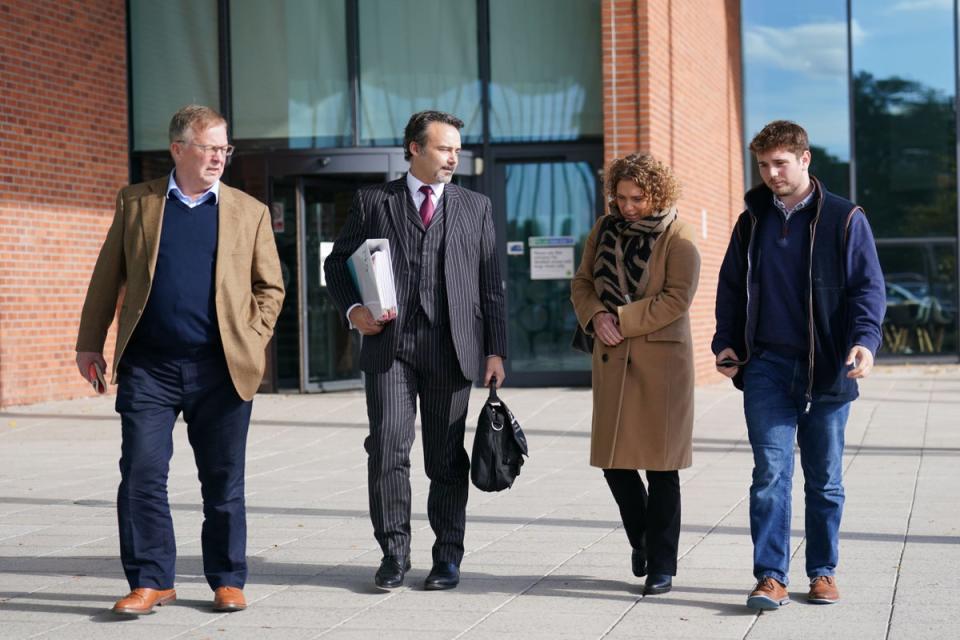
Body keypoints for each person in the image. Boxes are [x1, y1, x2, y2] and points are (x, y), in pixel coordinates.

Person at [75, 105, 285, 615]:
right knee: (142, 475)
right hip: (150, 367)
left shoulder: (247, 211)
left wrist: (252, 339)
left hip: (221, 368)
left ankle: (227, 578)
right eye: (210, 147)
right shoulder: (138, 203)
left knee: (222, 479)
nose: (219, 157)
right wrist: (89, 341)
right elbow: (108, 276)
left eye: (224, 148)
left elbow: (270, 288)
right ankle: (152, 580)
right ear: (178, 149)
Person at [324, 110, 507, 591]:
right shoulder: (373, 201)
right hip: (392, 348)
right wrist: (354, 311)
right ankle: (394, 553)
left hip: (453, 348)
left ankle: (447, 556)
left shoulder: (475, 207)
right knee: (386, 448)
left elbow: (491, 285)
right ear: (415, 149)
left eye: (456, 150)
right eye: (445, 148)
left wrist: (496, 351)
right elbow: (337, 262)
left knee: (445, 459)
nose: (454, 157)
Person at [713, 120, 885, 610]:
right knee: (770, 473)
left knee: (825, 479)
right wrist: (726, 343)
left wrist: (865, 343)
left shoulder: (845, 218)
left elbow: (868, 289)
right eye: (763, 165)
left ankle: (822, 571)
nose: (770, 174)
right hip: (767, 366)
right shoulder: (751, 220)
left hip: (829, 368)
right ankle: (771, 575)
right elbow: (730, 288)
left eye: (780, 163)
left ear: (805, 159)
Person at [571, 154, 700, 596]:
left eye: (637, 198)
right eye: (621, 197)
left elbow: (676, 298)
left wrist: (620, 319)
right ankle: (642, 540)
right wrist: (596, 317)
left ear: (657, 194)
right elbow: (582, 283)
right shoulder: (603, 230)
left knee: (662, 469)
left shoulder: (678, 235)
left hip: (661, 365)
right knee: (613, 463)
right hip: (611, 360)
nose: (627, 206)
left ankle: (661, 566)